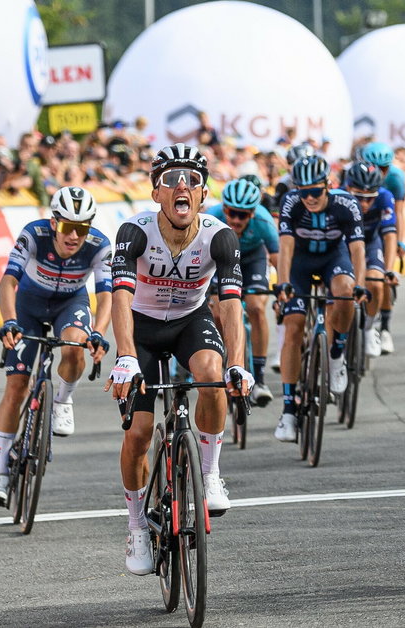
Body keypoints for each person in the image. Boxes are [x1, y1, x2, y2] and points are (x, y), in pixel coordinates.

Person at [105, 143, 252, 576]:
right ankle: (135, 524)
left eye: (191, 179)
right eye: (170, 179)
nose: (181, 186)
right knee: (140, 432)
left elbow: (231, 306)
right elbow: (120, 297)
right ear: (156, 194)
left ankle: (209, 473)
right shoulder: (134, 233)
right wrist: (126, 358)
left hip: (190, 321)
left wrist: (237, 365)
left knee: (211, 374)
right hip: (142, 329)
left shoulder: (219, 236)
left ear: (204, 195)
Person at [0, 186, 113, 505]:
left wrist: (97, 331)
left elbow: (106, 294)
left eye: (82, 228)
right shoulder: (33, 235)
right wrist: (9, 321)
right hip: (28, 304)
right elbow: (8, 282)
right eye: (69, 226)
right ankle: (0, 471)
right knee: (16, 386)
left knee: (74, 346)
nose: (75, 236)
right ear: (54, 222)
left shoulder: (99, 245)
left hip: (69, 304)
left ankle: (63, 400)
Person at [272, 155, 368, 442]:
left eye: (315, 191)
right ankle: (289, 410)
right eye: (304, 192)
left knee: (345, 292)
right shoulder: (291, 202)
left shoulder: (346, 205)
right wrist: (284, 283)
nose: (309, 198)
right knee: (293, 327)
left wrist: (360, 285)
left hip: (333, 259)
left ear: (328, 185)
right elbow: (285, 249)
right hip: (301, 262)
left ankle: (337, 353)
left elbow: (358, 251)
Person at [205, 178, 279, 406]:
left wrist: (285, 289)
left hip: (252, 259)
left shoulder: (264, 221)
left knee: (257, 308)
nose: (236, 220)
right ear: (224, 208)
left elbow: (277, 258)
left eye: (243, 215)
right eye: (232, 213)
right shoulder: (210, 218)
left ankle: (260, 377)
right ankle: (223, 359)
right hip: (219, 260)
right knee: (217, 312)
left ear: (253, 213)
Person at [342, 161, 399, 358]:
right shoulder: (337, 197)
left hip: (370, 242)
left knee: (375, 281)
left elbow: (390, 236)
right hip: (343, 243)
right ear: (348, 188)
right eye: (358, 197)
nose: (364, 204)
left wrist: (389, 270)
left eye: (369, 198)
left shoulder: (385, 197)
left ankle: (368, 328)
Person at [360, 142, 405, 354]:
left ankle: (384, 328)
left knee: (384, 275)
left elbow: (399, 212)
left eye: (384, 168)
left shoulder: (395, 179)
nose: (380, 172)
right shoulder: (354, 175)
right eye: (375, 167)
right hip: (359, 226)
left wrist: (399, 242)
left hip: (382, 225)